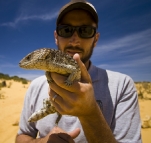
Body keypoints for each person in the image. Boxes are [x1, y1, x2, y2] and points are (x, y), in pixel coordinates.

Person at [15, 0, 142, 143]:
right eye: (66, 30)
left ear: (96, 39)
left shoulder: (123, 85)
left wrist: (90, 113)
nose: (74, 41)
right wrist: (43, 141)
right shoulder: (36, 86)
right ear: (56, 37)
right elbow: (22, 136)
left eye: (86, 31)